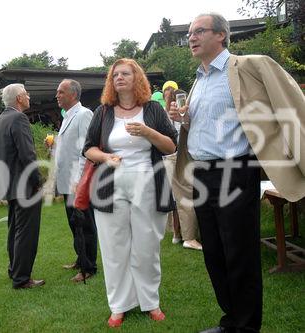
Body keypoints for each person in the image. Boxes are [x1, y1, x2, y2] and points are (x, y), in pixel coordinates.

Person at [170, 13, 305, 333]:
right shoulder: (199, 82)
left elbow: (287, 101)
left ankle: (246, 326)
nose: (191, 37)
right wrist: (182, 119)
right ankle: (231, 320)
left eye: (198, 31)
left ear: (221, 35)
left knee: (240, 254)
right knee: (214, 253)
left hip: (235, 170)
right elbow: (202, 128)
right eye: (189, 33)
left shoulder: (247, 67)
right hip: (202, 174)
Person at [83, 58, 177, 327]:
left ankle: (151, 302)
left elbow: (171, 146)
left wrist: (148, 132)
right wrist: (105, 157)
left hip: (148, 184)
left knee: (146, 248)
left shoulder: (153, 109)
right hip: (110, 186)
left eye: (125, 73)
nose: (119, 78)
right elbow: (88, 148)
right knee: (114, 248)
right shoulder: (103, 112)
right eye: (115, 75)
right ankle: (119, 305)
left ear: (137, 78)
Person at [0, 83, 44, 289]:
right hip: (23, 186)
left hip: (9, 184)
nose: (29, 97)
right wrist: (37, 181)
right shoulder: (18, 118)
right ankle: (22, 278)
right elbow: (27, 155)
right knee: (26, 232)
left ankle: (15, 270)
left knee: (15, 229)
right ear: (20, 98)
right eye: (27, 94)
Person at [46, 79, 97, 282]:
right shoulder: (67, 116)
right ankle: (80, 258)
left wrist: (79, 181)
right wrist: (52, 148)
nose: (57, 95)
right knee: (74, 223)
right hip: (67, 181)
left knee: (85, 225)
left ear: (73, 95)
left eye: (61, 92)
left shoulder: (84, 114)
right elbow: (66, 149)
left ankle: (89, 267)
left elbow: (86, 150)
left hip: (79, 182)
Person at [163, 88, 202, 250]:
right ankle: (189, 237)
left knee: (176, 199)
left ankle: (176, 234)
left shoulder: (166, 114)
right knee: (186, 198)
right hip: (178, 158)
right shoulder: (178, 114)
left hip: (167, 159)